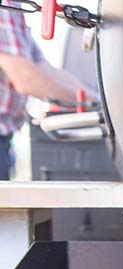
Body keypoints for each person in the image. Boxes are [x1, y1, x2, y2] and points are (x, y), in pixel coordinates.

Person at [0, 9, 93, 180]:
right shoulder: (5, 7)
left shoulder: (14, 11)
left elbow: (45, 70)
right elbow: (26, 79)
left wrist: (96, 99)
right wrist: (93, 105)